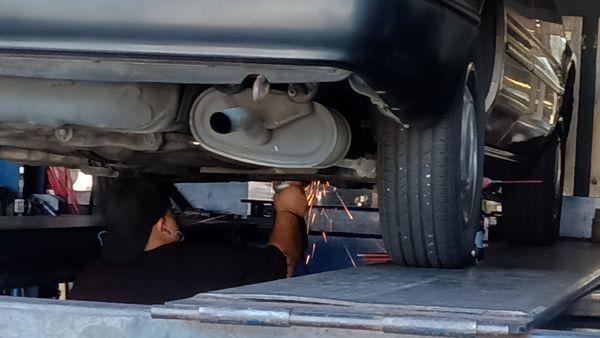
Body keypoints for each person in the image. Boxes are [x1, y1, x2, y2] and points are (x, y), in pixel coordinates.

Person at [70, 178, 307, 304]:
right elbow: (282, 260)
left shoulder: (90, 278)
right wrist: (288, 210)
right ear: (163, 224)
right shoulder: (196, 263)